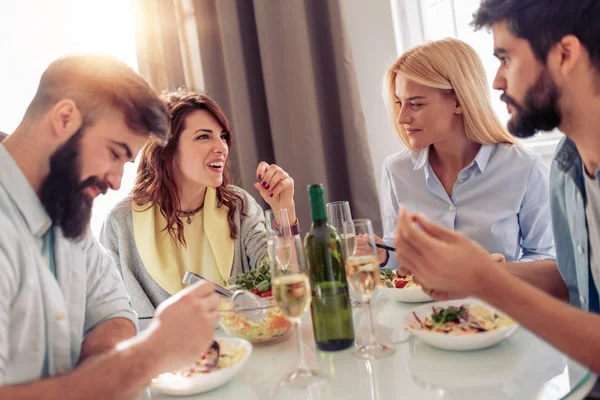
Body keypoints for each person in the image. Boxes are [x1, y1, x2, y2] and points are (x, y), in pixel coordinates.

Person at [393, 0, 600, 374]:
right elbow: (571, 285)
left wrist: (487, 281)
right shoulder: (567, 166)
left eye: (506, 58)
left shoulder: (527, 166)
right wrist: (474, 275)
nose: (496, 81)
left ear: (565, 55)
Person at [0, 55, 221, 398]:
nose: (117, 181)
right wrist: (150, 354)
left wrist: (99, 379)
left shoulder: (68, 215)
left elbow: (113, 315)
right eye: (114, 153)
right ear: (64, 118)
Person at [100, 89, 298, 327]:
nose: (221, 147)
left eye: (223, 137)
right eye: (204, 137)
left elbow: (286, 281)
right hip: (169, 361)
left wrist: (283, 211)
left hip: (244, 351)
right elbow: (111, 317)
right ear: (167, 149)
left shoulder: (238, 206)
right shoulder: (120, 223)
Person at [377, 37, 557, 275]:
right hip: (420, 311)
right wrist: (382, 255)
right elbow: (400, 257)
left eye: (416, 104)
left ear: (459, 102)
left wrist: (502, 271)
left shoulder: (524, 167)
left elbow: (549, 258)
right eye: (399, 103)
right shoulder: (396, 170)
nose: (402, 118)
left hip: (495, 309)